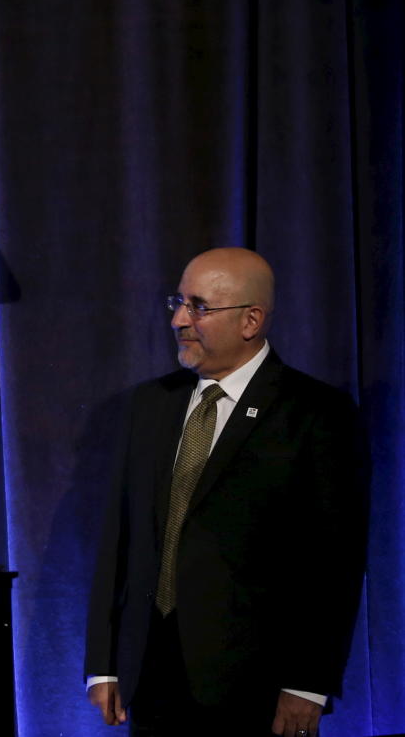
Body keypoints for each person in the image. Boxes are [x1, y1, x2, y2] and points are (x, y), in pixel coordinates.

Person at [85, 248, 367, 737]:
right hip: (150, 676)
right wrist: (104, 663)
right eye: (177, 302)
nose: (178, 319)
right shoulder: (148, 405)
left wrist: (307, 683)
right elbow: (119, 538)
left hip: (256, 686)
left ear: (251, 319)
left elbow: (333, 561)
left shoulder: (316, 414)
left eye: (198, 306)